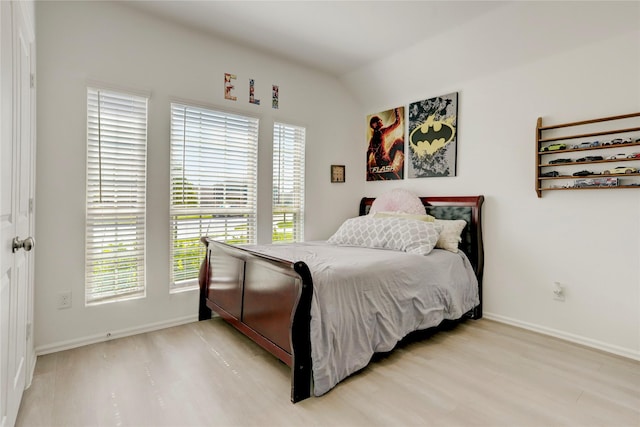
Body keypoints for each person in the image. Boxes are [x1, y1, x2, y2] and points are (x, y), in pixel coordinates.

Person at [367, 107, 404, 180]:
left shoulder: (372, 139)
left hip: (383, 162)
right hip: (384, 163)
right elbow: (398, 122)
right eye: (379, 120)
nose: (381, 121)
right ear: (375, 124)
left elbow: (367, 155)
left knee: (398, 141)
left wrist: (369, 170)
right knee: (398, 141)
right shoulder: (381, 132)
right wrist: (396, 111)